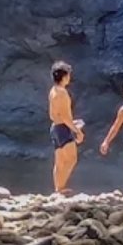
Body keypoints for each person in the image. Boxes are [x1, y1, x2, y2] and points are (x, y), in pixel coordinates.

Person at [48, 60, 84, 195]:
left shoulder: (53, 91)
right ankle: (61, 188)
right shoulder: (62, 92)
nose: (69, 77)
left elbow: (56, 114)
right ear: (64, 76)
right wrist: (77, 130)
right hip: (63, 128)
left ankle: (57, 189)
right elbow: (64, 116)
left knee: (59, 161)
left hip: (55, 127)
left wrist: (72, 123)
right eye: (68, 75)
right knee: (71, 159)